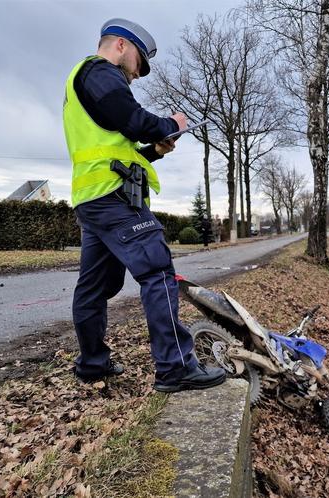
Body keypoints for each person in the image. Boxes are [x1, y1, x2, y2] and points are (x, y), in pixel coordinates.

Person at [62, 18, 225, 392]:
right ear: (121, 45)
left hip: (93, 199)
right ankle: (175, 368)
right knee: (157, 271)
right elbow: (133, 120)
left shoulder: (83, 83)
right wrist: (170, 123)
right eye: (138, 63)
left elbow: (120, 150)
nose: (137, 75)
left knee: (94, 286)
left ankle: (92, 364)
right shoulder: (99, 72)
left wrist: (155, 149)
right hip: (116, 200)